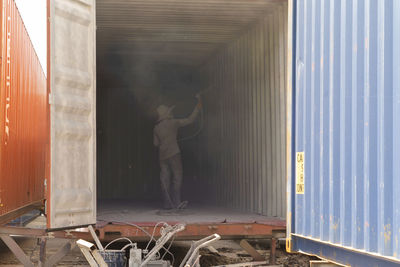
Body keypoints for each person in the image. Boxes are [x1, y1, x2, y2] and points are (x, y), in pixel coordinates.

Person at [153, 95, 202, 210]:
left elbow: (155, 144)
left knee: (164, 179)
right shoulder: (173, 123)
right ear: (167, 114)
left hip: (162, 156)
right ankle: (176, 202)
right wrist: (198, 107)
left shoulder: (156, 128)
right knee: (177, 177)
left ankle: (167, 204)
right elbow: (190, 120)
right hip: (174, 153)